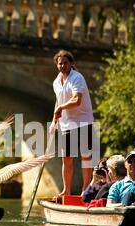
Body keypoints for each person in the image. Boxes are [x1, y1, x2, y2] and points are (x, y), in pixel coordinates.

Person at [52, 50, 96, 196]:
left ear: (71, 64)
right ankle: (67, 190)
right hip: (67, 124)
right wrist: (54, 121)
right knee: (67, 158)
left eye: (65, 63)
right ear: (56, 65)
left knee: (86, 156)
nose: (63, 65)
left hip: (83, 121)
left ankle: (85, 188)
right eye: (60, 63)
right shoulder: (56, 82)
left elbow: (76, 100)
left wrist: (61, 107)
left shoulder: (77, 78)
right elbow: (58, 101)